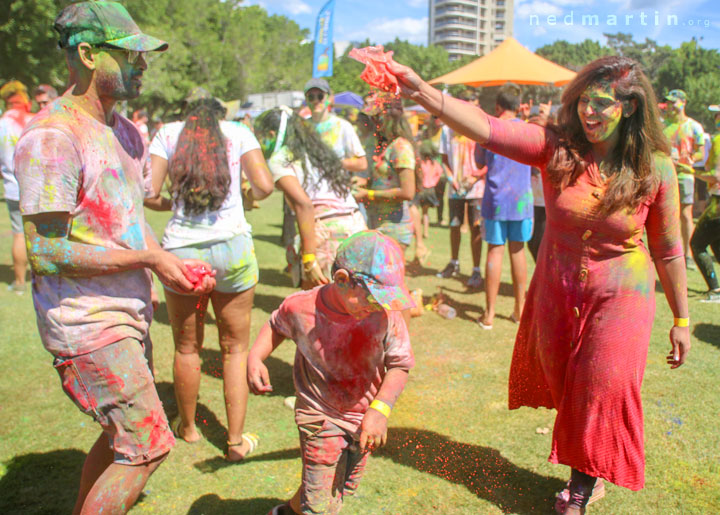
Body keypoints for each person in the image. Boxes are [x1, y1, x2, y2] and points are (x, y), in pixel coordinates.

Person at [386, 55, 690, 513]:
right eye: (585, 100)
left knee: (602, 383)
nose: (589, 112)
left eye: (602, 103)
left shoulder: (656, 169)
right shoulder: (557, 148)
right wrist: (423, 92)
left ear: (629, 108)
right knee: (569, 385)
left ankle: (580, 490)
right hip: (559, 291)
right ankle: (587, 468)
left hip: (623, 293)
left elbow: (668, 250)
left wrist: (682, 319)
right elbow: (488, 128)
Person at [13, 2, 216, 513]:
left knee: (120, 438)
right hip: (85, 324)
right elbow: (45, 252)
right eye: (130, 55)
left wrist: (168, 261)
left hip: (128, 316)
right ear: (86, 54)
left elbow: (128, 220)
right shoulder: (52, 137)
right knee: (147, 445)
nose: (143, 64)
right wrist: (148, 261)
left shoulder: (125, 131)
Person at [247, 230, 415, 515]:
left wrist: (380, 411)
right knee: (320, 504)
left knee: (342, 487)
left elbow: (399, 365)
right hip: (318, 414)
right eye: (373, 298)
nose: (378, 305)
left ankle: (287, 512)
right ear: (341, 280)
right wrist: (256, 356)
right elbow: (277, 324)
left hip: (363, 418)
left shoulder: (386, 316)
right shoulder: (301, 307)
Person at [145, 96, 274, 461]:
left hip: (182, 253)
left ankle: (187, 429)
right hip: (232, 247)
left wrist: (178, 203)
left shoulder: (167, 133)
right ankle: (235, 442)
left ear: (186, 113)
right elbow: (265, 186)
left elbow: (148, 192)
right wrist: (246, 196)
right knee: (235, 349)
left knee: (187, 347)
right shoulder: (238, 131)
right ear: (221, 114)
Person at [254, 106, 366, 283]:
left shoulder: (280, 159)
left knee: (321, 303)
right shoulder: (318, 151)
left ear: (272, 133)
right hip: (357, 227)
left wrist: (309, 258)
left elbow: (303, 205)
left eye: (261, 136)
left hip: (326, 232)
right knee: (356, 301)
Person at [475, 86, 533, 329]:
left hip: (496, 201)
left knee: (495, 251)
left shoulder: (489, 128)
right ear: (519, 105)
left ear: (498, 107)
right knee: (518, 251)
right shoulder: (529, 130)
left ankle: (489, 315)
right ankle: (519, 311)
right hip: (522, 200)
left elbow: (479, 161)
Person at [354, 96, 416, 252]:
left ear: (390, 116)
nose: (373, 120)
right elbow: (377, 178)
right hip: (375, 222)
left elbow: (407, 192)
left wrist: (368, 194)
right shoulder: (377, 144)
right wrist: (361, 181)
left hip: (394, 228)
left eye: (377, 116)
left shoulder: (401, 147)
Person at [436, 116, 486, 290]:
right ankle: (454, 263)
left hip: (476, 188)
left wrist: (476, 177)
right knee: (454, 225)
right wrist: (451, 179)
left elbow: (487, 160)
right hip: (455, 189)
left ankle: (476, 269)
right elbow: (444, 159)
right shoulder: (446, 130)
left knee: (476, 229)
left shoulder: (477, 126)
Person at [662, 89, 705, 269]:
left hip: (684, 175)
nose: (670, 106)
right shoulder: (663, 126)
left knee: (686, 215)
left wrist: (690, 159)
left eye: (674, 102)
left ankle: (688, 254)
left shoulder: (693, 126)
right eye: (668, 102)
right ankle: (667, 251)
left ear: (683, 102)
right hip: (664, 175)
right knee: (664, 214)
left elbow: (701, 153)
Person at [0, 80, 35, 295]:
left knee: (19, 234)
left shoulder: (2, 124)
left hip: (13, 188)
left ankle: (20, 281)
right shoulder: (33, 120)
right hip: (40, 188)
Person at [690, 104, 720, 303]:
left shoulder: (718, 140)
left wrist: (690, 171)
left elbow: (716, 176)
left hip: (718, 204)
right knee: (717, 245)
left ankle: (716, 290)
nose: (716, 118)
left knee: (697, 244)